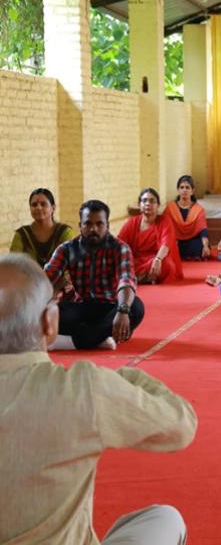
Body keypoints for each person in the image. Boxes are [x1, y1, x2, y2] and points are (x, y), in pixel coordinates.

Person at [0, 253, 196, 544]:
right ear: (51, 323)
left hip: (99, 310)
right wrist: (117, 379)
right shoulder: (81, 390)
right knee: (165, 519)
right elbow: (181, 424)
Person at [44, 200, 145, 351]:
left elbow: (126, 279)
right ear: (80, 226)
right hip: (81, 307)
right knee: (53, 313)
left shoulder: (120, 248)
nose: (93, 229)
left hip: (111, 307)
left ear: (108, 226)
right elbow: (46, 278)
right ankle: (101, 337)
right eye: (88, 224)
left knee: (135, 307)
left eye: (99, 224)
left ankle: (72, 342)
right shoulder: (66, 249)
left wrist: (123, 310)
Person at [118, 188, 183, 284]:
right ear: (139, 205)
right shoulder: (132, 222)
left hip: (156, 259)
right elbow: (120, 242)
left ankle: (137, 278)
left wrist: (158, 259)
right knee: (121, 264)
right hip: (136, 261)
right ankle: (145, 278)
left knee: (168, 266)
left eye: (152, 201)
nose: (148, 204)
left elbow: (166, 244)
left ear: (158, 205)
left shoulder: (164, 221)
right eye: (144, 201)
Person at [10, 188, 75, 268]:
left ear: (53, 208)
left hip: (59, 279)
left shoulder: (65, 232)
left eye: (43, 204)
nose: (38, 208)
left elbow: (69, 264)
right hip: (30, 279)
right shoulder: (22, 234)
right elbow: (13, 265)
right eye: (34, 205)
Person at [165, 175, 210, 260]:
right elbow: (165, 228)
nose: (184, 190)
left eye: (187, 187)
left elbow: (203, 230)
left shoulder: (198, 209)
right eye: (181, 187)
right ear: (178, 190)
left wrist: (205, 246)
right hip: (176, 241)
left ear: (192, 191)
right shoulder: (170, 208)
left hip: (192, 241)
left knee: (199, 247)